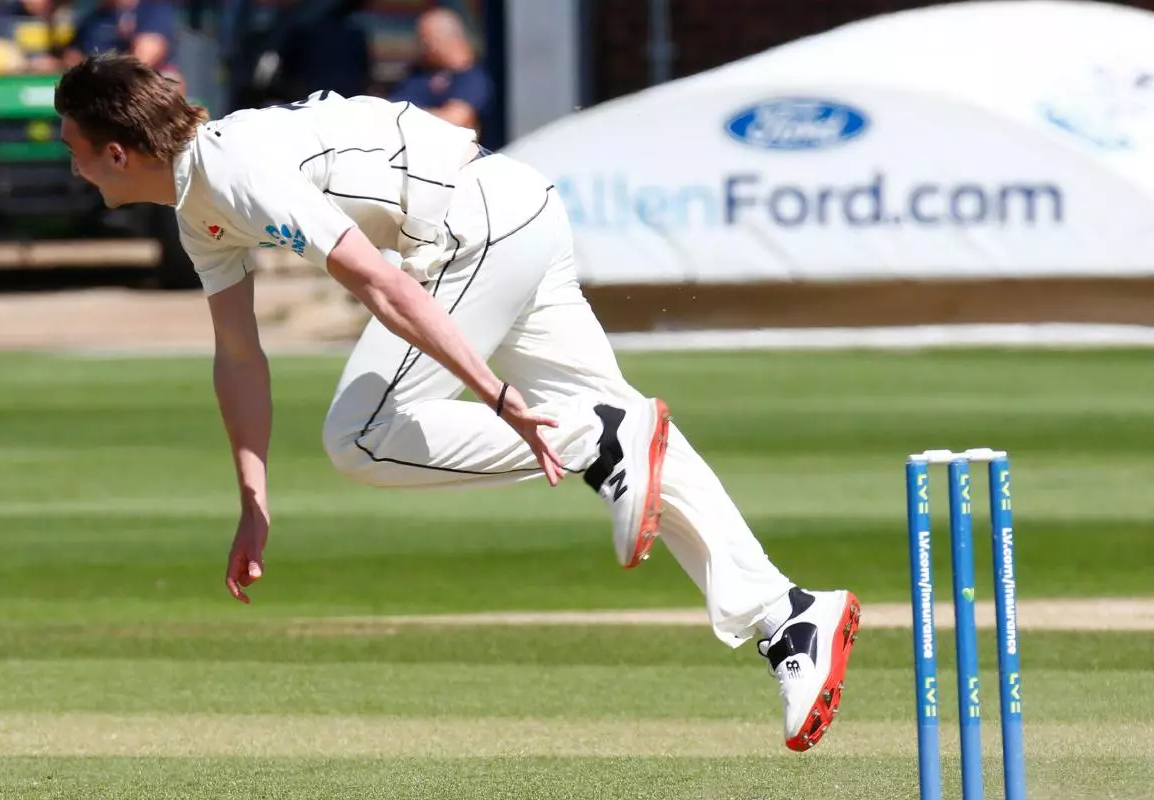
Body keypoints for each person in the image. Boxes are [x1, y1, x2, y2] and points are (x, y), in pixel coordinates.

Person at [52, 53, 861, 753]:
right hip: (509, 212)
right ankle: (788, 616)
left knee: (362, 438)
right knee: (639, 458)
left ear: (119, 152)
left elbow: (382, 283)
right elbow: (238, 354)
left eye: (76, 151)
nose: (74, 167)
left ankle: (600, 438)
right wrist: (253, 496)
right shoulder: (203, 206)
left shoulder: (235, 172)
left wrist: (497, 395)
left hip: (472, 232)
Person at [389, 7, 492, 134]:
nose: (422, 47)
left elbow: (454, 119)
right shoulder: (418, 73)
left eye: (427, 41)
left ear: (448, 39)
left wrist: (403, 116)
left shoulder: (472, 79)